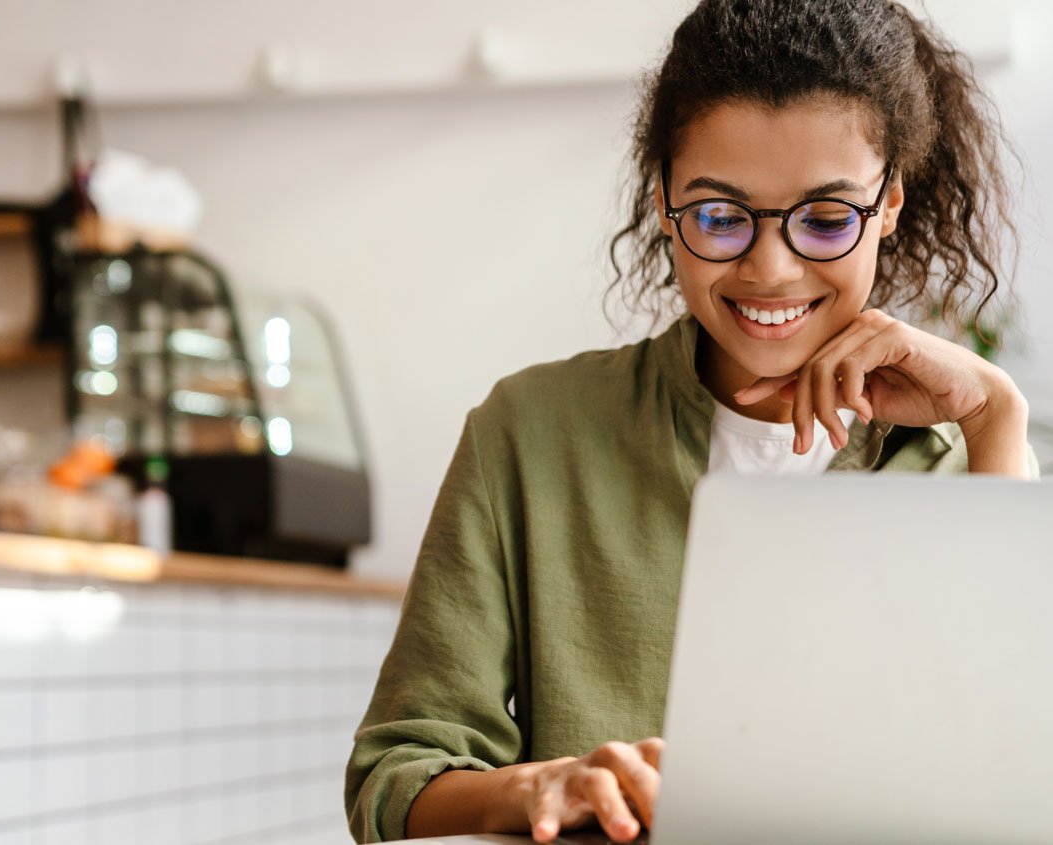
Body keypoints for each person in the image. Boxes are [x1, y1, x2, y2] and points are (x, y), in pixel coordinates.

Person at [345, 0, 1040, 842]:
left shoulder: (963, 461)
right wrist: (537, 787)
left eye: (825, 219)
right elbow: (395, 777)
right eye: (719, 216)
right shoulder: (529, 434)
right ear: (664, 198)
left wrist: (997, 418)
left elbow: (1017, 784)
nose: (770, 269)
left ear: (888, 202)